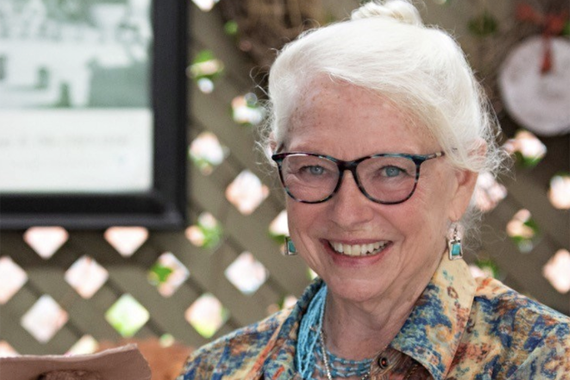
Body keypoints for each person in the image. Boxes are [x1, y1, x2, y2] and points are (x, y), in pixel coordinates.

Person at [178, 1, 570, 379]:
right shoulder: (219, 369)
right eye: (314, 167)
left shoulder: (545, 361)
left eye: (390, 170)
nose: (347, 212)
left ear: (460, 182)